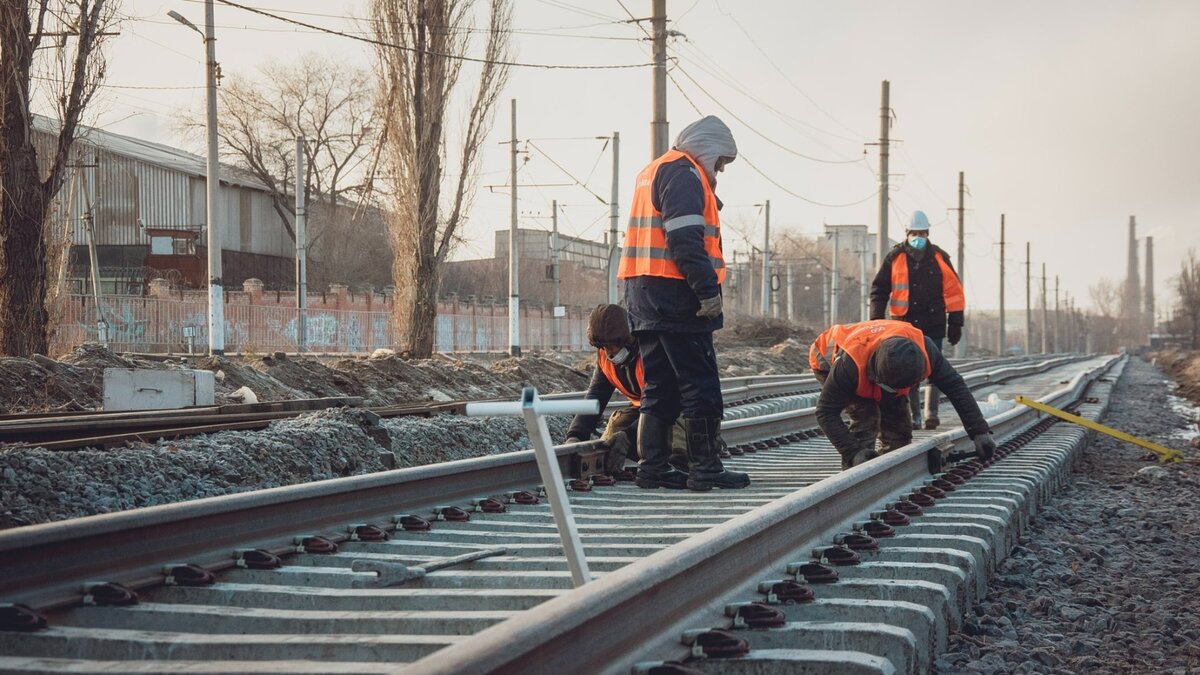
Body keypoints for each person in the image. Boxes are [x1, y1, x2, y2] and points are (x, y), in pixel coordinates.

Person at [616, 115, 749, 492]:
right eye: (721, 161)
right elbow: (685, 239)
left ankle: (652, 468)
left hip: (643, 293)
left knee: (660, 386)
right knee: (700, 385)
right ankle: (705, 468)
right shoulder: (684, 174)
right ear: (707, 148)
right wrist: (707, 290)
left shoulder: (653, 170)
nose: (720, 169)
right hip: (677, 294)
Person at [809, 319, 996, 470]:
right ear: (876, 374)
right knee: (866, 416)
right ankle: (857, 475)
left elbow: (956, 387)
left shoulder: (926, 350)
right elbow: (825, 412)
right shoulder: (849, 366)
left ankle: (890, 474)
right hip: (826, 359)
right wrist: (853, 452)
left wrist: (979, 431)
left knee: (898, 425)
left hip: (880, 355)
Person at [562, 304, 689, 484]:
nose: (608, 353)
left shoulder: (653, 352)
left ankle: (678, 462)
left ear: (627, 340)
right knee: (612, 436)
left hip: (677, 409)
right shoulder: (605, 358)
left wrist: (629, 436)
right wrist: (576, 436)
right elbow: (595, 397)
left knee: (672, 443)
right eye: (603, 347)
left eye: (612, 346)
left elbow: (663, 404)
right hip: (645, 409)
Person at [870, 210, 965, 430]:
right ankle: (914, 416)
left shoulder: (940, 258)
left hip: (934, 324)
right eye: (914, 232)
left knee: (934, 368)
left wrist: (956, 322)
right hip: (904, 323)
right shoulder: (894, 258)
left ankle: (931, 414)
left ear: (928, 232)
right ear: (907, 233)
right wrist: (876, 318)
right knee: (906, 368)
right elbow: (879, 289)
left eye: (922, 232)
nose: (918, 236)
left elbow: (954, 292)